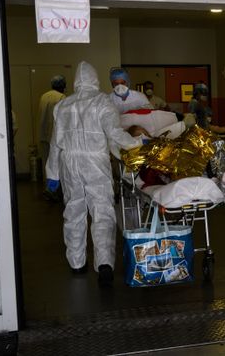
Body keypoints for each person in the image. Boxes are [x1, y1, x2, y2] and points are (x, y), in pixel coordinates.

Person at [45, 61, 143, 287]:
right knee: (102, 212)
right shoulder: (103, 103)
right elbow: (115, 134)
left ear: (76, 81)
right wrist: (138, 143)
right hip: (95, 163)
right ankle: (104, 264)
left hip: (69, 163)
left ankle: (77, 262)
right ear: (95, 80)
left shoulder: (63, 105)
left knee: (74, 211)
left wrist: (53, 174)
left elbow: (55, 144)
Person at [38, 75, 66, 172]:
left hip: (43, 136)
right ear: (62, 86)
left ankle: (47, 186)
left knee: (46, 164)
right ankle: (57, 186)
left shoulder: (44, 96)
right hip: (55, 138)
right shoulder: (61, 97)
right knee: (57, 165)